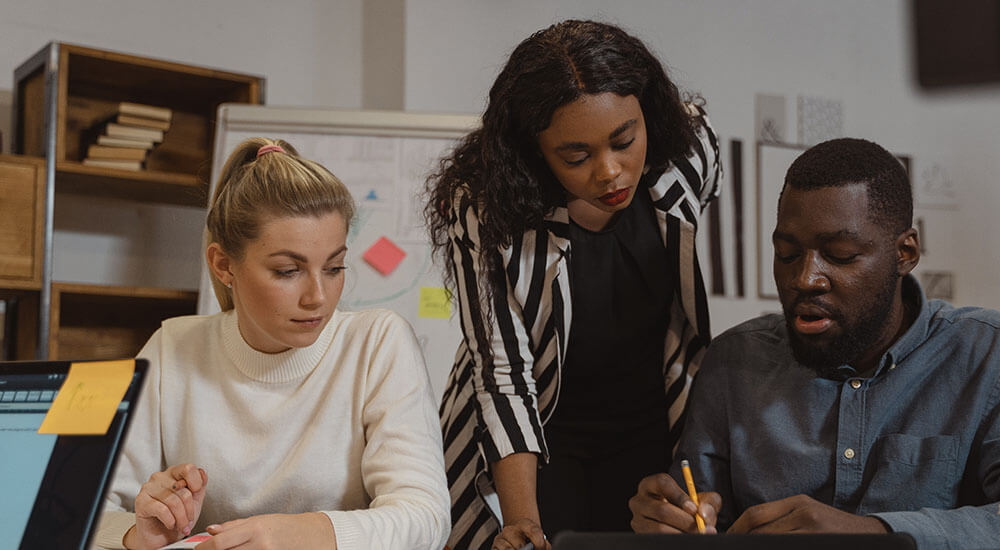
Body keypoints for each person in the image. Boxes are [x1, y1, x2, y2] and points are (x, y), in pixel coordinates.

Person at [426, 19, 722, 550]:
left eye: (624, 140)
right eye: (577, 156)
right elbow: (502, 371)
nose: (610, 172)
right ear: (534, 151)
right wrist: (522, 522)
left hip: (649, 425)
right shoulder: (487, 205)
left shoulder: (690, 148)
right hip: (533, 442)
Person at [629, 138, 1000, 549]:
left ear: (905, 253)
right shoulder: (734, 362)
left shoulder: (983, 355)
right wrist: (673, 525)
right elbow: (701, 514)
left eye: (839, 254)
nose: (805, 279)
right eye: (787, 254)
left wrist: (874, 534)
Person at [94, 138, 450, 550]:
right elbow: (82, 511)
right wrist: (139, 534)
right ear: (224, 264)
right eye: (287, 271)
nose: (318, 296)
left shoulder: (377, 343)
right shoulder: (172, 346)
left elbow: (425, 515)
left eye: (335, 267)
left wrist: (305, 533)